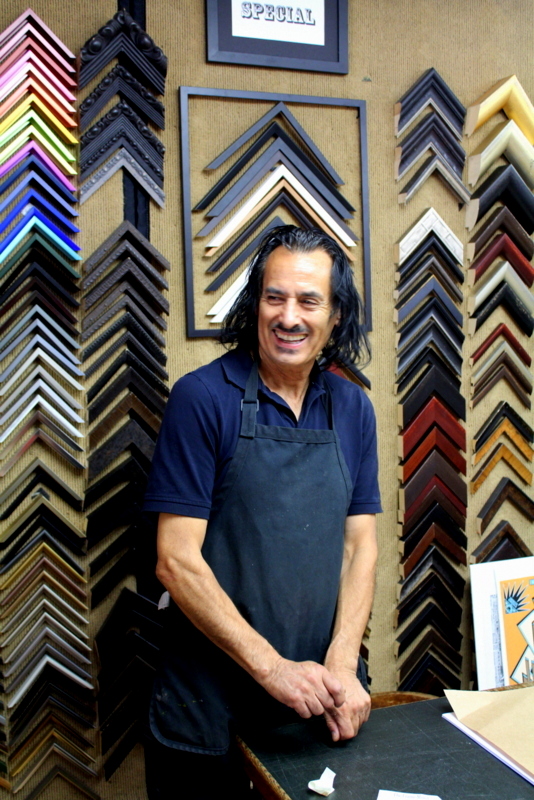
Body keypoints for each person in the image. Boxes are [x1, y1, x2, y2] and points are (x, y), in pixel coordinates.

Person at [142, 226, 381, 798]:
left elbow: (359, 548)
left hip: (316, 707)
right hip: (209, 712)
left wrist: (343, 663)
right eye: (275, 297)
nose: (288, 317)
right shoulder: (203, 398)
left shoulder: (352, 408)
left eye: (308, 301)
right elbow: (175, 560)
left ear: (336, 317)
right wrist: (274, 669)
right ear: (256, 305)